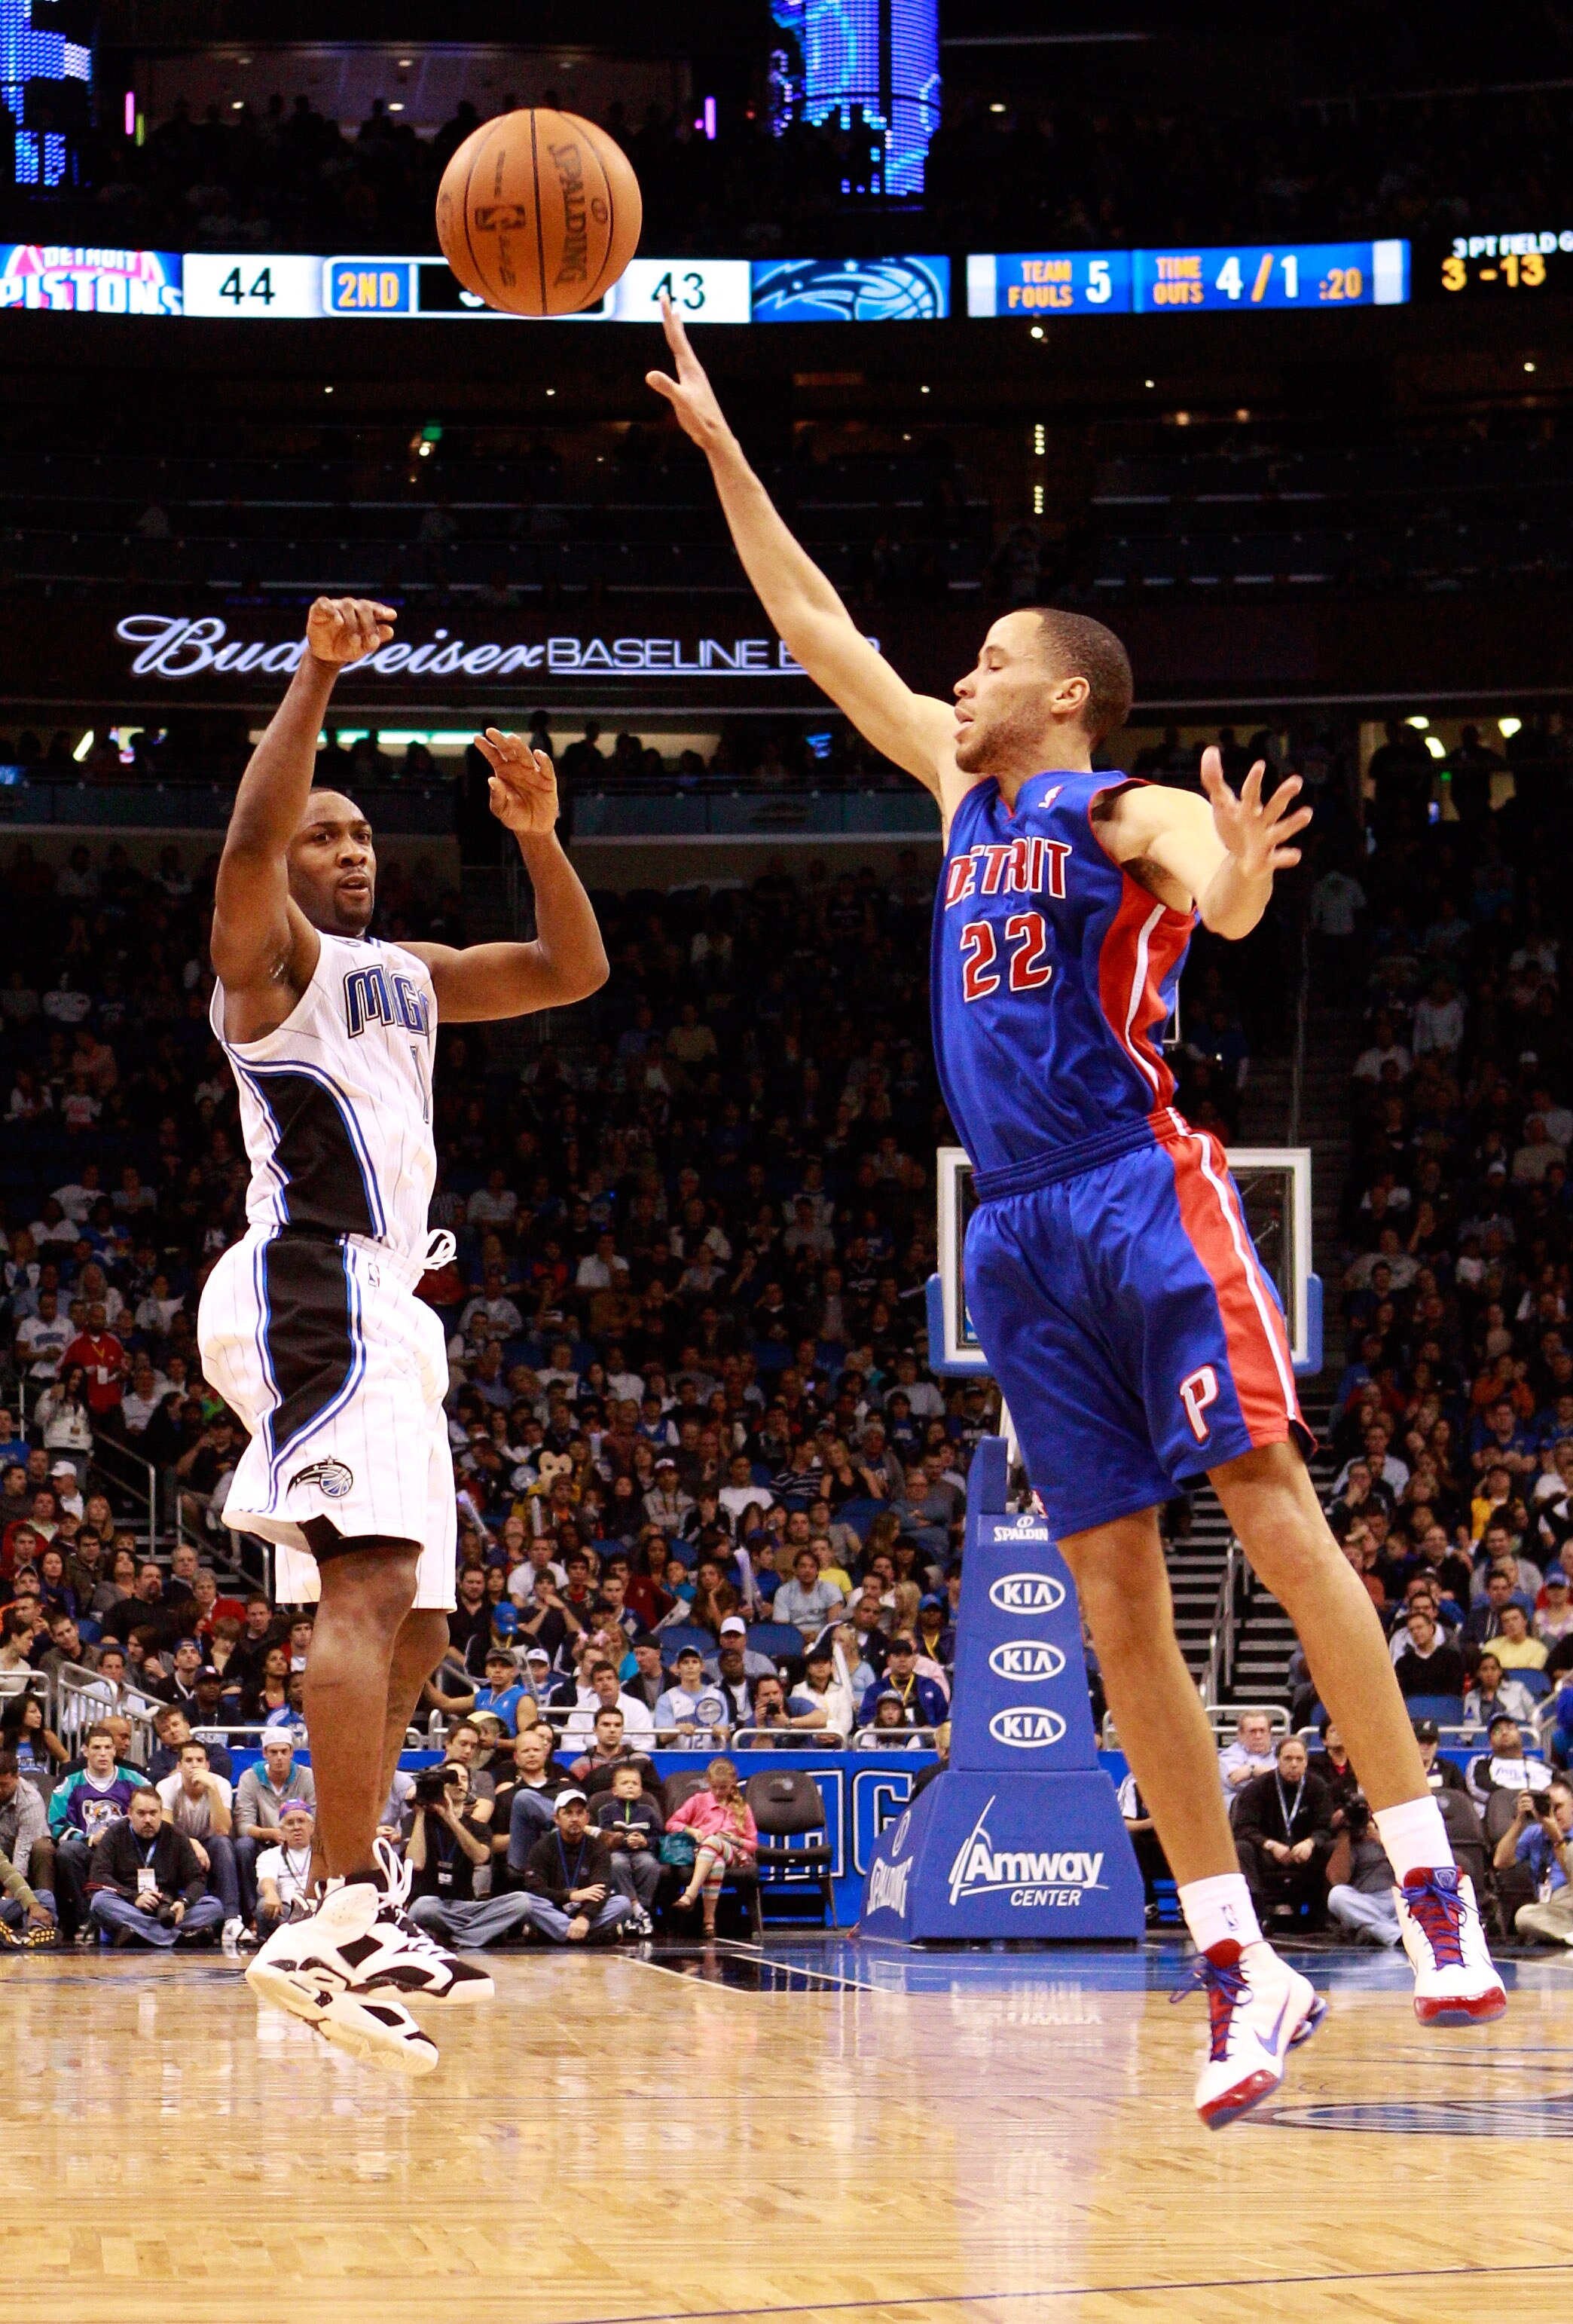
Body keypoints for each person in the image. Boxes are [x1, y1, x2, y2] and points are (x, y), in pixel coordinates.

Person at [647, 298, 1504, 2121]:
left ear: (1063, 692)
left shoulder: (1107, 802)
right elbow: (813, 628)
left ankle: (1432, 1883)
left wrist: (1238, 872)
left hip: (1137, 1187)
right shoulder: (957, 800)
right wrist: (726, 453)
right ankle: (1235, 1961)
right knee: (1111, 1601)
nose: (953, 681)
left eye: (982, 661)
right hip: (1014, 1228)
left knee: (1270, 1512)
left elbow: (1204, 874)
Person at [195, 597, 608, 2069]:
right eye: (325, 834)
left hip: (393, 1305)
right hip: (316, 1279)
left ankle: (356, 1898)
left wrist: (542, 834)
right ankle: (328, 1906)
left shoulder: (408, 974)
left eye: (361, 830)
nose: (348, 848)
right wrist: (312, 676)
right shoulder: (270, 968)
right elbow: (245, 858)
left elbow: (572, 975)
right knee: (364, 1589)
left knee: (422, 1612)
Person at [85, 1785, 225, 1949]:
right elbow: (98, 1875)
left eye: (153, 1813)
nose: (148, 1820)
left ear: (161, 1813)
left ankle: (141, 1935)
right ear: (129, 1813)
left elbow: (197, 1879)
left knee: (214, 1906)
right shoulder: (115, 1834)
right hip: (130, 1905)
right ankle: (176, 1938)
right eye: (141, 1813)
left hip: (168, 1910)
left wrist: (183, 1903)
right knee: (100, 1902)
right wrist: (134, 1897)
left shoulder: (176, 1836)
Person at [1231, 1735, 1336, 1929]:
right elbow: (1243, 1827)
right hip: (1268, 1852)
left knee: (1333, 1848)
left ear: (1306, 1761)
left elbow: (1326, 1826)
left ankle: (1323, 1915)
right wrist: (1270, 1845)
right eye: (1288, 1759)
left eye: (1299, 1759)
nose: (1294, 1765)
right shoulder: (1258, 1787)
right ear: (1278, 1760)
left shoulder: (1318, 1787)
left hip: (1304, 1853)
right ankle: (1258, 1913)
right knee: (1241, 1848)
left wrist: (1311, 1842)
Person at [516, 1788, 637, 1943]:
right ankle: (590, 1936)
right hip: (554, 1909)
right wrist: (570, 1896)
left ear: (587, 1818)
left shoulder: (598, 1847)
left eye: (579, 1813)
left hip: (584, 1910)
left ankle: (554, 1934)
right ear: (556, 1819)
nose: (574, 1819)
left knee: (623, 1904)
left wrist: (584, 1918)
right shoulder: (541, 1848)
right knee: (526, 1901)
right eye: (568, 1813)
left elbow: (602, 1889)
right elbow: (535, 1888)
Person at [156, 1738, 243, 1946]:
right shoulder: (166, 1786)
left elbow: (223, 1829)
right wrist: (192, 1843)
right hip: (176, 1845)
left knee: (222, 1844)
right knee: (163, 1845)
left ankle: (232, 1918)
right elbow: (166, 1830)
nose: (195, 1765)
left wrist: (212, 1789)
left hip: (210, 1843)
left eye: (200, 1760)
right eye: (189, 1760)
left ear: (207, 1765)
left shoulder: (219, 1784)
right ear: (179, 1766)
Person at [664, 1754, 759, 1937]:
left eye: (723, 1788)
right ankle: (709, 1922)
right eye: (714, 1787)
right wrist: (691, 1830)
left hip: (734, 1855)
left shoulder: (742, 1808)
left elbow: (753, 1845)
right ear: (708, 1782)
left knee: (713, 1841)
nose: (718, 1792)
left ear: (733, 1783)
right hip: (704, 1854)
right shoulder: (698, 1801)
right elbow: (671, 1825)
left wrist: (735, 1839)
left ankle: (690, 1893)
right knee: (715, 1862)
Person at [1496, 1779, 1573, 1946]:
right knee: (1524, 1916)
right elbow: (1501, 1862)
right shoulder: (1535, 1833)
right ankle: (1568, 1934)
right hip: (1555, 1909)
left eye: (1558, 1807)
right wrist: (1520, 1821)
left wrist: (1558, 1840)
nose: (1553, 1813)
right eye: (1547, 1806)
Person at [590, 1762, 663, 1927]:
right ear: (614, 1790)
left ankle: (643, 1908)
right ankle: (635, 1908)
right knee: (617, 1863)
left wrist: (646, 1842)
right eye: (625, 1783)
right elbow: (604, 1836)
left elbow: (658, 1836)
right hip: (617, 1852)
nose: (630, 1786)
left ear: (641, 1790)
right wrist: (623, 1840)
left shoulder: (648, 1811)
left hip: (641, 1852)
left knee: (649, 1864)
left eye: (635, 1783)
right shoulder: (606, 1811)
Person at [254, 1800, 319, 1945]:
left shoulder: (322, 1854)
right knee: (263, 1906)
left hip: (318, 1909)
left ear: (312, 1827)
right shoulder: (270, 1855)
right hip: (287, 1911)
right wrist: (271, 1894)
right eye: (290, 1823)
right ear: (282, 1831)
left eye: (301, 1821)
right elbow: (267, 1880)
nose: (296, 1827)